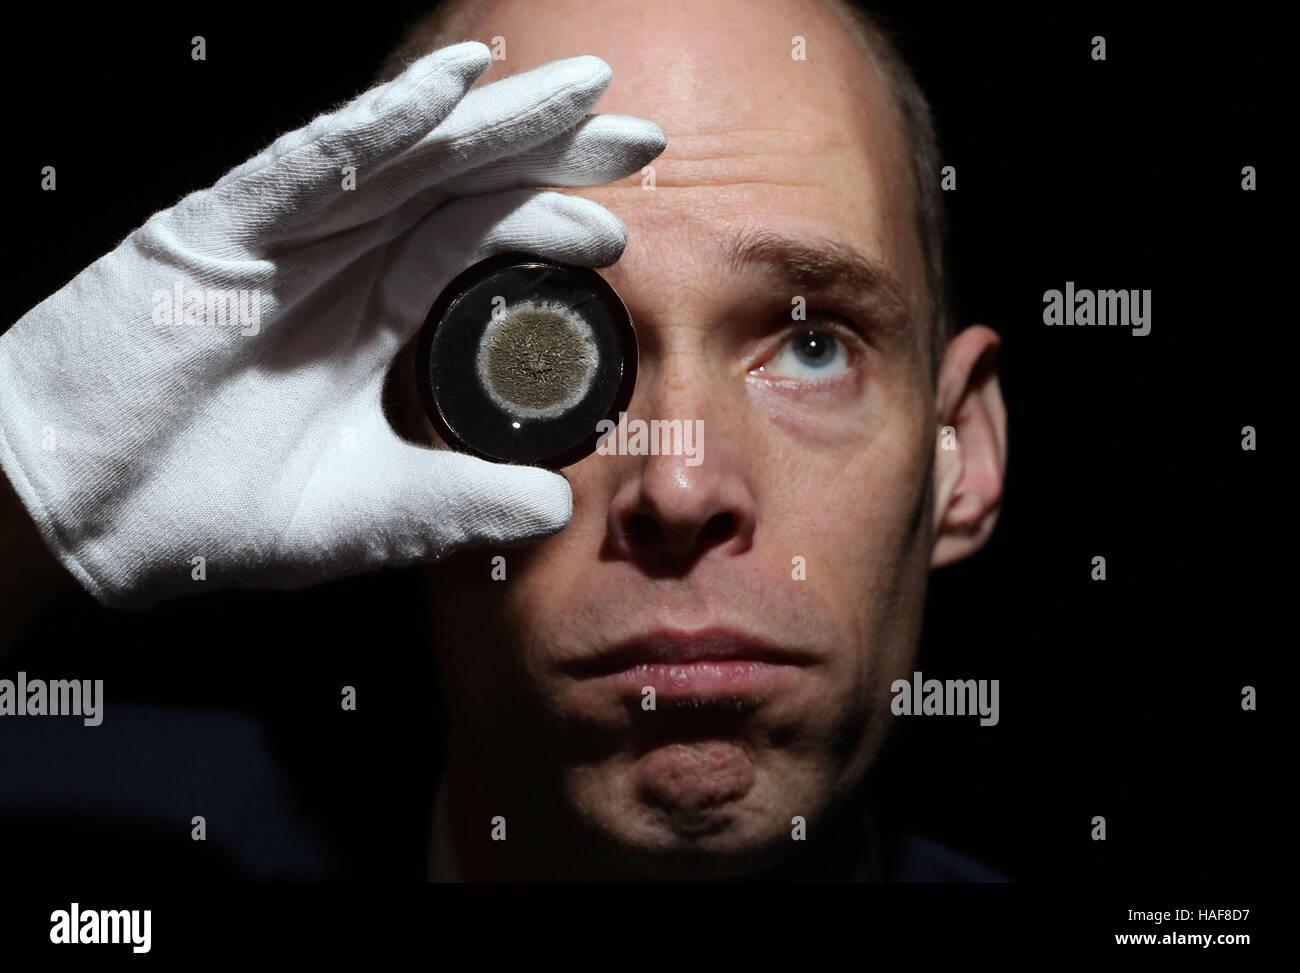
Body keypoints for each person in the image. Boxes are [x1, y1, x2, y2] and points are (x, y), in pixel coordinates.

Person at [0, 0, 1007, 881]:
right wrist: (21, 493)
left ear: (961, 449)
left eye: (814, 345)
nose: (682, 485)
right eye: (537, 351)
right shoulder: (86, 839)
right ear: (391, 421)